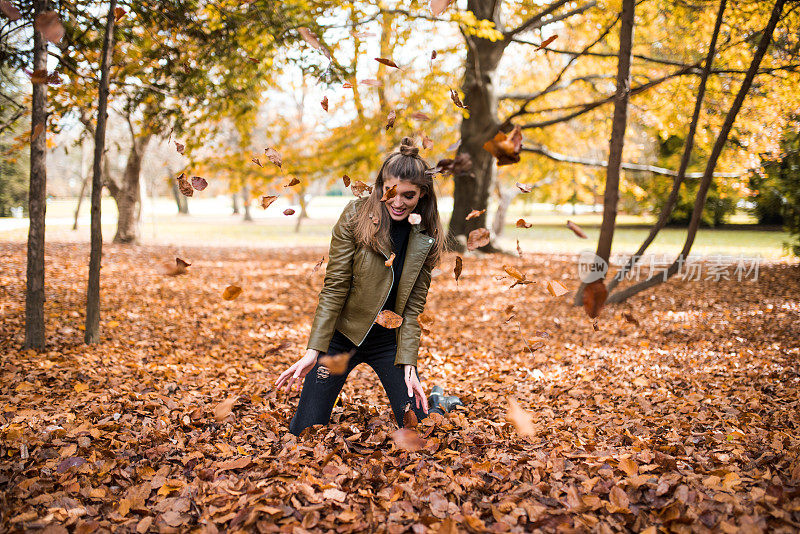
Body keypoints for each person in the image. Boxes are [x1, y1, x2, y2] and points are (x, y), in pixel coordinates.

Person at [276, 137, 463, 436]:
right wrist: (314, 349)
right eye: (390, 191)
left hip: (388, 342)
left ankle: (439, 399)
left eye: (408, 195)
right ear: (380, 187)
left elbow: (413, 309)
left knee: (420, 430)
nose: (398, 201)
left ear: (422, 195)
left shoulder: (427, 234)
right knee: (304, 432)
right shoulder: (354, 216)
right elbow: (334, 286)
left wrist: (409, 364)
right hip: (341, 337)